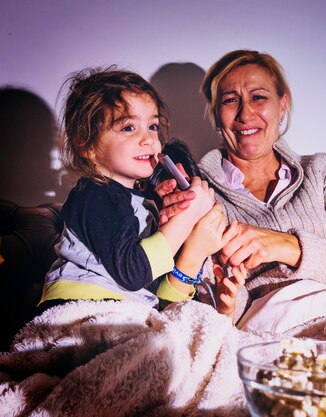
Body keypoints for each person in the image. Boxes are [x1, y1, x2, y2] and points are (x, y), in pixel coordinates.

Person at [158, 50, 326, 332]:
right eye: (231, 100)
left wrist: (281, 244)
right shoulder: (201, 195)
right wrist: (226, 305)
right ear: (217, 116)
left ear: (282, 106)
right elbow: (221, 305)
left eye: (258, 97)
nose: (245, 114)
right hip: (269, 326)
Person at [39, 67, 244, 318]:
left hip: (124, 312)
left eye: (153, 126)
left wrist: (188, 242)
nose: (148, 139)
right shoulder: (94, 192)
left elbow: (160, 301)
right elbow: (134, 273)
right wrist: (186, 218)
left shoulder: (142, 204)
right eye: (128, 128)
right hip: (79, 310)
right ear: (87, 144)